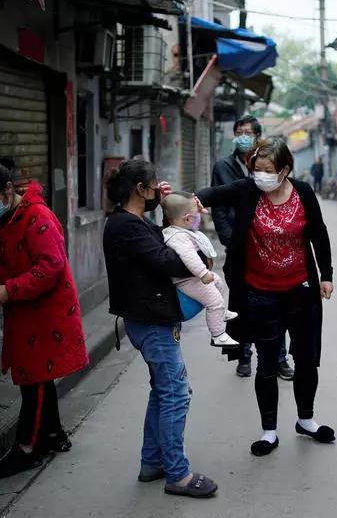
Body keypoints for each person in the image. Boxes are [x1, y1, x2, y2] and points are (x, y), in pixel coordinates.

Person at [196, 137, 336, 457]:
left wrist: (325, 275)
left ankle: (306, 420)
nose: (261, 176)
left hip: (300, 290)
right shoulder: (248, 190)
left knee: (306, 359)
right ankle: (269, 431)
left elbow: (319, 233)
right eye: (256, 169)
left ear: (285, 169)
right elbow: (213, 195)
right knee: (267, 362)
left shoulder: (303, 192)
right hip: (259, 293)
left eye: (268, 170)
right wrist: (188, 200)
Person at [102, 158, 218, 498]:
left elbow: (159, 242)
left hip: (148, 318)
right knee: (176, 394)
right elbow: (169, 259)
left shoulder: (132, 222)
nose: (158, 191)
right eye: (154, 187)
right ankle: (177, 474)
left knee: (163, 391)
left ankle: (152, 462)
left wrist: (166, 213)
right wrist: (200, 257)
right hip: (151, 321)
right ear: (140, 189)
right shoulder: (126, 226)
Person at [0, 158, 89, 479]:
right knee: (39, 374)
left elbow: (51, 266)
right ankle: (52, 435)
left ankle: (27, 449)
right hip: (21, 309)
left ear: (8, 190)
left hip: (47, 311)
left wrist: (8, 290)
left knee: (33, 379)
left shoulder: (39, 217)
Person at [211, 115, 293, 380]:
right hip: (239, 248)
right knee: (241, 305)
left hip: (269, 247)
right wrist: (228, 239)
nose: (242, 135)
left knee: (277, 305)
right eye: (238, 131)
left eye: (247, 132)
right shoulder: (223, 166)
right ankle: (243, 356)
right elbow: (219, 207)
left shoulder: (271, 164)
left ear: (258, 136)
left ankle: (279, 358)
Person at [160, 191, 240, 348]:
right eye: (197, 215)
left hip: (193, 277)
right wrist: (203, 273)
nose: (200, 216)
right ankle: (218, 335)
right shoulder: (178, 237)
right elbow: (190, 257)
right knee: (215, 302)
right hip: (188, 281)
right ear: (187, 219)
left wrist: (198, 211)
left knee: (219, 283)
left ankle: (222, 313)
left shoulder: (180, 229)